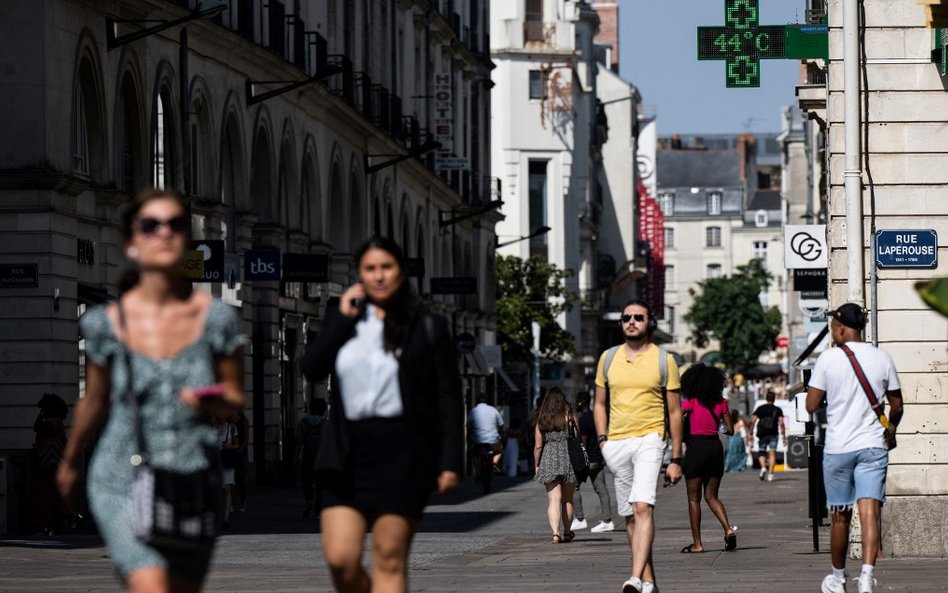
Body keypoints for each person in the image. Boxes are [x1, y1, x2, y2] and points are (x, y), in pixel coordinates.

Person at [57, 187, 247, 593]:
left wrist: (209, 398)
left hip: (193, 474)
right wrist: (71, 460)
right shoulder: (105, 323)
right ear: (130, 243)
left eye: (176, 225)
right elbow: (95, 398)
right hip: (121, 474)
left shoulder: (216, 320)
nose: (164, 233)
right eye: (151, 225)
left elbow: (235, 401)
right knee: (151, 584)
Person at [300, 236, 462, 593]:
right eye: (370, 268)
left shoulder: (428, 326)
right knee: (341, 562)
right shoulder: (341, 317)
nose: (378, 276)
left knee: (389, 559)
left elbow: (448, 397)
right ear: (359, 273)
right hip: (344, 454)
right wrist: (342, 320)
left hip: (402, 454)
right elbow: (311, 368)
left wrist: (450, 461)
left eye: (386, 267)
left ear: (401, 272)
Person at [805, 303, 903, 593]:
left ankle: (837, 579)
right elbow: (897, 405)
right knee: (870, 513)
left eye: (834, 327)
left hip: (838, 449)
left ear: (841, 327)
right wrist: (891, 427)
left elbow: (811, 405)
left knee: (840, 517)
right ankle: (866, 579)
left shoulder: (827, 359)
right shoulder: (882, 358)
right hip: (873, 446)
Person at [594, 299, 683, 593]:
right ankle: (650, 581)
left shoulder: (663, 359)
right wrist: (602, 440)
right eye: (627, 317)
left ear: (649, 324)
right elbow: (599, 403)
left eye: (639, 318)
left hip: (650, 439)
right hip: (616, 444)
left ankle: (633, 578)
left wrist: (676, 457)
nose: (632, 322)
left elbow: (673, 411)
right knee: (630, 517)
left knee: (643, 506)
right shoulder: (607, 358)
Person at [678, 364, 737, 553]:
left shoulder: (692, 402)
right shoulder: (722, 402)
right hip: (714, 448)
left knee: (693, 499)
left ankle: (697, 544)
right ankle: (728, 529)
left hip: (696, 447)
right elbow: (730, 430)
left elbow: (676, 417)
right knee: (712, 496)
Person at [533, 387, 577, 544]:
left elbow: (538, 446)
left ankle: (555, 534)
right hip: (568, 458)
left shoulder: (542, 419)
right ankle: (567, 532)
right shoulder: (569, 417)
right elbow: (577, 438)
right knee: (567, 500)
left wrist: (537, 464)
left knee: (553, 499)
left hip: (549, 458)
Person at [33, 392, 76, 535]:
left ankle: (61, 519)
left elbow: (40, 429)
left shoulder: (52, 422)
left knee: (46, 494)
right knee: (55, 494)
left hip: (50, 462)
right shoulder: (58, 422)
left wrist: (41, 417)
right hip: (53, 461)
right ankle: (65, 518)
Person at [571, 392, 614, 533]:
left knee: (573, 487)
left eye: (576, 401)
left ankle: (580, 519)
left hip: (588, 460)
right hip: (598, 459)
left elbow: (583, 443)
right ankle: (608, 520)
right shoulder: (596, 417)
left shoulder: (584, 420)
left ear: (580, 403)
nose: (575, 404)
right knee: (602, 490)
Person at [297, 398, 327, 518]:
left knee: (306, 481)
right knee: (320, 484)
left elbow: (298, 442)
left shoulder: (302, 423)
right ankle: (318, 509)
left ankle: (309, 500)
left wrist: (296, 457)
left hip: (307, 457)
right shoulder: (326, 423)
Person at [751, 391, 786, 481]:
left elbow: (753, 421)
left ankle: (763, 468)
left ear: (766, 398)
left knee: (761, 452)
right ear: (774, 399)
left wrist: (751, 432)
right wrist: (784, 435)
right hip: (773, 433)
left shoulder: (760, 408)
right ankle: (770, 474)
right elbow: (781, 423)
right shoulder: (778, 409)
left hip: (762, 434)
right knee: (772, 453)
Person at [468, 394, 505, 472]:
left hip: (478, 440)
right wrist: (501, 432)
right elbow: (501, 424)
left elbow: (468, 425)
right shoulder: (493, 410)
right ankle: (494, 462)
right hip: (492, 440)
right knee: (500, 451)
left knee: (474, 454)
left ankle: (478, 471)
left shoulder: (473, 411)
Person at [216, 416, 239, 529]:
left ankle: (226, 518)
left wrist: (229, 446)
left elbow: (237, 444)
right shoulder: (211, 427)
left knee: (227, 488)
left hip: (227, 461)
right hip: (215, 462)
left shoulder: (232, 427)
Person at [233, 408, 250, 513]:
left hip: (241, 452)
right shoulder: (229, 420)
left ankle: (243, 500)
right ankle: (233, 501)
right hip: (232, 450)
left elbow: (246, 438)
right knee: (232, 478)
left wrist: (242, 448)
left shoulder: (244, 420)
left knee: (241, 478)